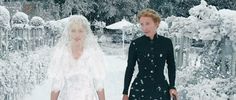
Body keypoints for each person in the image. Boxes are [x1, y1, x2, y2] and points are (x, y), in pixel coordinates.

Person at [122, 8, 178, 100]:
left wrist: (172, 86)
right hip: (139, 90)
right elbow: (130, 68)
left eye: (147, 23)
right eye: (142, 24)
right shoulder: (136, 44)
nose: (144, 27)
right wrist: (125, 92)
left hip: (161, 90)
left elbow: (171, 65)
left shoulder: (166, 43)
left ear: (156, 23)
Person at [48, 15, 106, 100]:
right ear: (69, 32)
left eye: (80, 31)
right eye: (73, 31)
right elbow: (56, 85)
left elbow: (99, 85)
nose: (77, 34)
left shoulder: (93, 54)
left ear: (86, 32)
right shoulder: (62, 55)